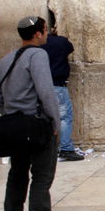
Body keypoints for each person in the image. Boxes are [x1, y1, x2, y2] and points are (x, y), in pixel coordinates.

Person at [0, 16, 69, 211]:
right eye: (45, 30)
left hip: (14, 127)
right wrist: (54, 123)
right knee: (42, 176)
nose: (46, 34)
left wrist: (11, 115)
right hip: (36, 126)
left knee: (17, 175)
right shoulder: (38, 55)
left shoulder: (6, 59)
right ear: (38, 33)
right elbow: (46, 92)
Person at [41, 25, 83, 161]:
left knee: (43, 117)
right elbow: (70, 48)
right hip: (57, 86)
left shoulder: (36, 47)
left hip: (40, 86)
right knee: (64, 117)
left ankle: (43, 148)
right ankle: (66, 149)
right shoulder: (61, 42)